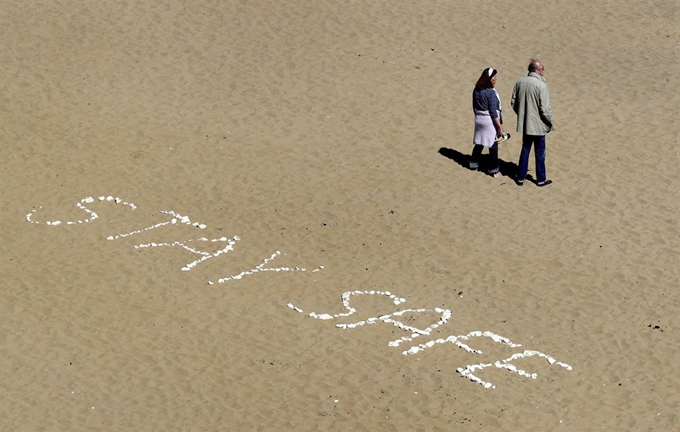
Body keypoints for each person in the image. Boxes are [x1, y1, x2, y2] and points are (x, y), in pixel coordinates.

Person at [511, 58, 555, 186]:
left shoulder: (519, 82)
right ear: (537, 70)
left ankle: (520, 177)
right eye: (542, 68)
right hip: (539, 125)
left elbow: (513, 102)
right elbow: (545, 109)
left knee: (525, 149)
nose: (543, 71)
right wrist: (550, 122)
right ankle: (541, 179)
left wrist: (523, 115)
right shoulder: (541, 85)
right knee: (540, 153)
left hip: (526, 124)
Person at [469, 67, 509, 177]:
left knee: (479, 143)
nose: (496, 79)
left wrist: (477, 117)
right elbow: (493, 111)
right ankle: (494, 169)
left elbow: (474, 106)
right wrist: (499, 126)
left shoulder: (476, 89)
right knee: (493, 146)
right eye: (494, 77)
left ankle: (473, 163)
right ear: (489, 79)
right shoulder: (490, 92)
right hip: (489, 121)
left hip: (479, 119)